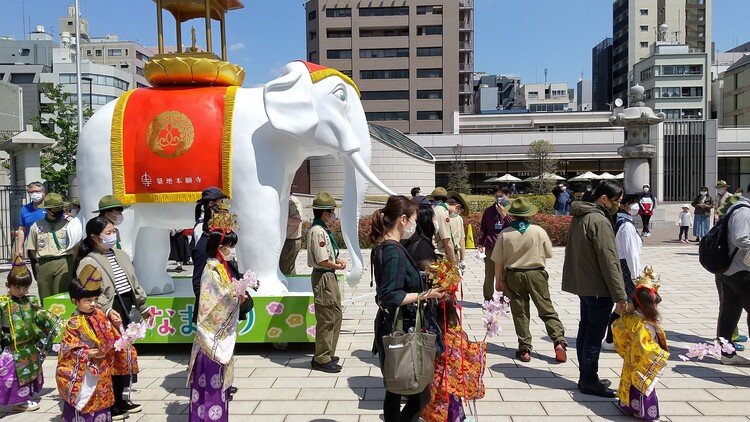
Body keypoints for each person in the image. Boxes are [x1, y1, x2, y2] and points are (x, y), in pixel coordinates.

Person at [370, 195, 444, 422]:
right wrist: (426, 294)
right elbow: (391, 295)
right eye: (411, 219)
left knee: (394, 388)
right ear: (402, 220)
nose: (414, 224)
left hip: (390, 324)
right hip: (403, 327)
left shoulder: (383, 247)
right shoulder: (394, 252)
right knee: (420, 394)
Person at [74, 216, 153, 417]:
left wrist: (143, 306)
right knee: (109, 359)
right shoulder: (88, 262)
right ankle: (112, 403)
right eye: (107, 233)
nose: (112, 235)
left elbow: (132, 283)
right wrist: (106, 310)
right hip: (106, 315)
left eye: (113, 231)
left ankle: (122, 399)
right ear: (94, 238)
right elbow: (88, 295)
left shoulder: (120, 254)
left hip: (125, 310)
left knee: (124, 358)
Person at [562, 180, 629, 397]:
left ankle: (586, 376)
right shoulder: (599, 220)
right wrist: (621, 295)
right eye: (616, 201)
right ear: (604, 199)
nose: (618, 205)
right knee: (593, 336)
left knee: (585, 330)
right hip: (599, 287)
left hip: (585, 285)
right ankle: (589, 380)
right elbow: (609, 260)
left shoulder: (581, 215)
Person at [492, 197, 567, 363]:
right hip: (536, 274)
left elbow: (498, 260)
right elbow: (549, 253)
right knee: (546, 308)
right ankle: (558, 341)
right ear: (529, 214)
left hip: (514, 275)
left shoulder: (505, 233)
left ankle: (525, 348)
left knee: (520, 312)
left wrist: (498, 280)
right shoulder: (538, 231)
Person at [188, 210, 245, 422]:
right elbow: (216, 302)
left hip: (218, 333)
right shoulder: (211, 270)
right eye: (229, 246)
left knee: (216, 382)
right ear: (219, 248)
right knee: (211, 380)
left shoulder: (221, 267)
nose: (231, 250)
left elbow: (227, 291)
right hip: (211, 336)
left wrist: (238, 291)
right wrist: (236, 295)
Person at [56, 265, 122, 421]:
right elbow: (67, 348)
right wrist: (84, 353)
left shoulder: (99, 314)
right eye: (88, 300)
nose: (93, 304)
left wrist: (118, 327)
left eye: (95, 299)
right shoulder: (73, 323)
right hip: (85, 369)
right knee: (86, 398)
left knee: (103, 396)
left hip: (102, 366)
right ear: (75, 301)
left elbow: (110, 335)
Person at [0, 256, 60, 412]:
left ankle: (22, 399)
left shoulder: (31, 301)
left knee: (29, 371)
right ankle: (14, 399)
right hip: (11, 347)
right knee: (8, 374)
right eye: (17, 287)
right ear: (8, 285)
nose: (21, 291)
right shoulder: (2, 304)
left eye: (25, 288)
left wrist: (56, 323)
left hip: (30, 345)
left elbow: (42, 316)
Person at [612, 272, 669, 420]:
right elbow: (646, 347)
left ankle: (628, 406)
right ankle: (644, 412)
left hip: (630, 359)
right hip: (641, 361)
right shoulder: (645, 325)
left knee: (629, 382)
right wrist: (660, 352)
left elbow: (617, 331)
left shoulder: (629, 318)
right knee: (644, 385)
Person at [306, 192, 346, 373]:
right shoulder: (317, 231)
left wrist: (337, 263)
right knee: (327, 317)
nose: (333, 216)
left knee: (335, 314)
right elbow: (322, 260)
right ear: (324, 214)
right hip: (323, 276)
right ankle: (321, 357)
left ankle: (328, 352)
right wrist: (337, 265)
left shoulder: (323, 230)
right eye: (331, 212)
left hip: (329, 275)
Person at [603, 194, 642, 351]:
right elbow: (631, 253)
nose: (636, 207)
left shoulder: (617, 220)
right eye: (633, 204)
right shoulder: (626, 225)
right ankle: (612, 339)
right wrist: (637, 277)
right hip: (627, 268)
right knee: (625, 305)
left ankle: (614, 338)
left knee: (622, 305)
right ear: (625, 205)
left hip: (620, 265)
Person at [717, 189, 750, 365]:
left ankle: (726, 353)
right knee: (730, 312)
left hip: (730, 270)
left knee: (730, 312)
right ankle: (726, 352)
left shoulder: (736, 207)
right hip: (741, 270)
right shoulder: (745, 211)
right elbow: (741, 239)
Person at [25, 193, 74, 301]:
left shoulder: (69, 224)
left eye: (60, 209)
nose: (58, 212)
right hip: (44, 263)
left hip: (63, 262)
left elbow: (76, 246)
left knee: (62, 297)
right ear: (47, 210)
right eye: (55, 210)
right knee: (45, 297)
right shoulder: (37, 226)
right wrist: (42, 261)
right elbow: (32, 248)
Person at [191, 187, 229, 324]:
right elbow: (198, 276)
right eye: (220, 202)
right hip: (209, 304)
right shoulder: (202, 232)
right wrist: (205, 304)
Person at [477, 186, 514, 301]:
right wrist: (480, 243)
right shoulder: (489, 211)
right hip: (491, 245)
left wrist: (504, 214)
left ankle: (505, 297)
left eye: (501, 196)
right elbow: (483, 228)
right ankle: (488, 297)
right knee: (489, 273)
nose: (498, 198)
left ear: (507, 196)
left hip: (506, 245)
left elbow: (515, 226)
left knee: (505, 273)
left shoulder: (511, 209)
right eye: (496, 196)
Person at [15, 182, 46, 277]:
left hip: (50, 247)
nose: (34, 193)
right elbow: (22, 229)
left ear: (43, 192)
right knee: (38, 277)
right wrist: (19, 248)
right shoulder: (25, 209)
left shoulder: (50, 207)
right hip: (33, 248)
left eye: (37, 191)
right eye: (31, 192)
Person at [401, 204, 439, 269]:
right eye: (434, 218)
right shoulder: (423, 247)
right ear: (427, 221)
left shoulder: (409, 240)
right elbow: (430, 273)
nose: (436, 221)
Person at [429, 187, 457, 264]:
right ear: (457, 206)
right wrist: (454, 262)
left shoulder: (436, 209)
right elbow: (447, 241)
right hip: (439, 254)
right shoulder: (442, 212)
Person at [279, 193, 303, 275]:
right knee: (289, 270)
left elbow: (296, 220)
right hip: (286, 241)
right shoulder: (285, 199)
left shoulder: (292, 201)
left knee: (285, 271)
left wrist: (278, 217)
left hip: (290, 241)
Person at [447, 194, 468, 271]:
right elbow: (461, 239)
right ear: (458, 206)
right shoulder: (458, 219)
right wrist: (462, 259)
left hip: (439, 253)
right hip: (453, 253)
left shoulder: (437, 214)